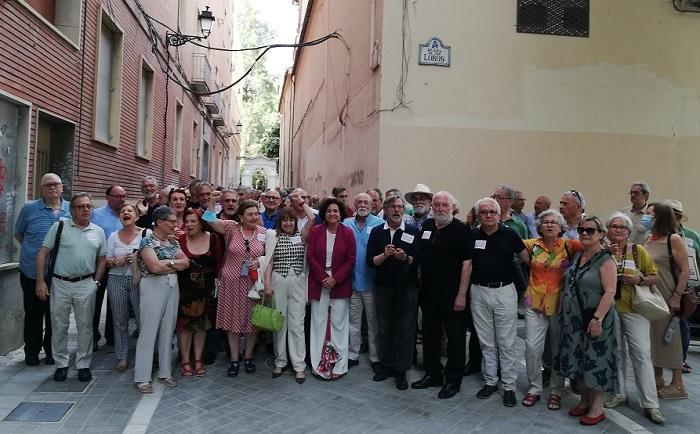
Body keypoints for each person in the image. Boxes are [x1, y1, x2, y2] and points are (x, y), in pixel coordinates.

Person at [35, 193, 107, 383]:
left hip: (86, 284)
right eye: (81, 206)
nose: (86, 209)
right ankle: (61, 364)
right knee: (59, 325)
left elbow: (102, 258)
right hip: (60, 283)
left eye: (88, 206)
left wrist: (96, 282)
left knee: (85, 327)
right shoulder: (59, 226)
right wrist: (40, 281)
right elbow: (43, 253)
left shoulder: (98, 231)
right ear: (72, 210)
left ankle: (83, 365)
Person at [555, 216, 619, 426]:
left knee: (597, 362)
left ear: (601, 234)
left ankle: (597, 406)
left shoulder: (606, 259)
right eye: (582, 229)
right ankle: (584, 399)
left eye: (590, 230)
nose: (584, 233)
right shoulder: (579, 255)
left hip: (596, 317)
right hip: (575, 320)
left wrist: (597, 319)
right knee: (579, 359)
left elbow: (610, 292)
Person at [603, 212, 665, 424]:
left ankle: (650, 404)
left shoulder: (638, 251)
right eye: (614, 226)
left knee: (641, 354)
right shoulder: (602, 251)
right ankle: (619, 392)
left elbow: (654, 276)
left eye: (622, 227)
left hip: (635, 309)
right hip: (610, 309)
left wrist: (638, 278)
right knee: (616, 353)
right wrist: (604, 256)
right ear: (608, 230)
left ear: (629, 232)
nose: (618, 230)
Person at [412, 191, 473, 399]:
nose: (440, 209)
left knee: (455, 337)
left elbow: (467, 265)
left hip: (453, 293)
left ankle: (453, 380)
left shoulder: (463, 231)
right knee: (430, 335)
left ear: (452, 207)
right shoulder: (428, 227)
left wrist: (462, 295)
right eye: (436, 205)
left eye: (444, 205)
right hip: (428, 293)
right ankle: (433, 374)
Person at [470, 197, 529, 407]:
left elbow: (527, 259)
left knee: (506, 341)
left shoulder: (509, 234)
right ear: (478, 216)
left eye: (492, 212)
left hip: (504, 291)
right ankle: (490, 381)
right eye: (484, 212)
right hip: (479, 292)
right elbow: (467, 264)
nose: (488, 215)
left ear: (498, 214)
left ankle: (509, 386)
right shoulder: (473, 236)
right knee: (486, 341)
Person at [520, 209, 581, 410]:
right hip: (534, 303)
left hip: (559, 305)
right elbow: (509, 243)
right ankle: (535, 387)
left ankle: (556, 390)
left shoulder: (570, 245)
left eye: (554, 222)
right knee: (532, 348)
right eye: (545, 222)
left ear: (561, 227)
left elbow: (593, 249)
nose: (549, 225)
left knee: (557, 349)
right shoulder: (531, 245)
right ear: (539, 226)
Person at [203, 193, 267, 377]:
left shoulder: (263, 233)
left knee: (251, 321)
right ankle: (234, 358)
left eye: (256, 214)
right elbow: (208, 219)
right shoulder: (231, 228)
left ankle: (248, 357)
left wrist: (260, 260)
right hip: (230, 282)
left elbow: (269, 256)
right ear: (240, 216)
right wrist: (212, 202)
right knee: (232, 321)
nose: (254, 217)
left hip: (253, 284)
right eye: (250, 214)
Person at [14, 173, 70, 366]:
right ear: (41, 189)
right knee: (33, 313)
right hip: (31, 271)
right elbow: (18, 234)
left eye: (56, 184)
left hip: (61, 273)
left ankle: (51, 351)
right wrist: (34, 251)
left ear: (62, 188)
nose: (52, 187)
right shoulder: (29, 209)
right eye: (48, 185)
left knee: (56, 314)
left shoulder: (71, 209)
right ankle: (31, 351)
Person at [133, 206, 190, 393]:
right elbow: (154, 267)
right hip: (152, 286)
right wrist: (173, 264)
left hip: (172, 286)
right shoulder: (147, 241)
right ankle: (142, 377)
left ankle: (165, 373)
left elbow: (186, 262)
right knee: (149, 330)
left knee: (168, 329)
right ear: (159, 222)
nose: (175, 225)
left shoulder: (173, 242)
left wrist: (166, 263)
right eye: (171, 221)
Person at [367, 195, 421, 390]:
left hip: (407, 288)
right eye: (393, 207)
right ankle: (387, 366)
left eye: (400, 207)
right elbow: (370, 262)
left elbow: (418, 259)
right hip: (383, 287)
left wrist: (404, 257)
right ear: (386, 210)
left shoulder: (413, 231)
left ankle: (401, 370)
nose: (397, 210)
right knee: (385, 327)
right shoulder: (376, 232)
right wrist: (385, 255)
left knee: (405, 329)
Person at [263, 195, 316, 383]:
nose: (288, 223)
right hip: (278, 279)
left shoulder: (302, 236)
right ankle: (280, 361)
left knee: (297, 324)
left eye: (291, 220)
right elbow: (269, 261)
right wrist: (267, 284)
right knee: (279, 324)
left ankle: (299, 365)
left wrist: (301, 203)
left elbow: (312, 218)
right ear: (280, 222)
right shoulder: (272, 236)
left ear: (295, 222)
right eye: (284, 220)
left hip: (298, 281)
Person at [306, 198, 356, 379]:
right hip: (319, 283)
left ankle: (339, 366)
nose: (332, 214)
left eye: (336, 211)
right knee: (318, 323)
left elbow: (351, 260)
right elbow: (310, 256)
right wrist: (323, 278)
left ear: (341, 213)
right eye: (329, 211)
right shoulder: (316, 231)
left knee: (339, 325)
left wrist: (335, 279)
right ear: (324, 214)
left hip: (339, 284)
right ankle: (320, 365)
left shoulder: (348, 233)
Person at [644, 202, 689, 400]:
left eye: (650, 215)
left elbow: (685, 270)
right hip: (651, 296)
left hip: (668, 294)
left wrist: (677, 295)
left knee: (670, 339)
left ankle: (678, 384)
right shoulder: (648, 238)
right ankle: (658, 377)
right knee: (654, 338)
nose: (646, 218)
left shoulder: (674, 239)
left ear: (660, 217)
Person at [176, 208, 222, 378]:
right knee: (185, 327)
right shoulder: (179, 240)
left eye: (193, 221)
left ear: (201, 223)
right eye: (186, 221)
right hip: (185, 290)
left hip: (207, 290)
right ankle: (185, 360)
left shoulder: (214, 238)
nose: (188, 224)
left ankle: (198, 359)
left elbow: (219, 263)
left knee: (202, 326)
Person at [342, 193, 385, 371]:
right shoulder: (347, 223)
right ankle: (353, 354)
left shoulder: (379, 224)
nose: (362, 205)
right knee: (353, 322)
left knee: (373, 323)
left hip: (371, 283)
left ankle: (375, 357)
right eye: (359, 201)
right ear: (354, 204)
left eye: (365, 202)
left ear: (372, 205)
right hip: (351, 282)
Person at [105, 204, 147, 372]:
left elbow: (155, 254)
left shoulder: (146, 233)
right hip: (116, 279)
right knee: (120, 320)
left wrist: (137, 258)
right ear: (119, 217)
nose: (126, 213)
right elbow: (107, 260)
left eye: (130, 211)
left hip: (139, 280)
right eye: (122, 211)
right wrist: (113, 262)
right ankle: (122, 356)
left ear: (137, 216)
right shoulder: (113, 236)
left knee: (141, 319)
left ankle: (144, 355)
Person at [666, 199, 700, 374]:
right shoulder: (658, 235)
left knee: (683, 323)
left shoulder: (692, 236)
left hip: (686, 286)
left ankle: (681, 359)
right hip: (663, 283)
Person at [92, 185, 127, 351]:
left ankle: (112, 337)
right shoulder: (96, 215)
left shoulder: (127, 215)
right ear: (108, 197)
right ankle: (92, 336)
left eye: (123, 196)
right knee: (95, 301)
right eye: (117, 196)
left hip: (119, 266)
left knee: (116, 303)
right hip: (98, 265)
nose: (121, 199)